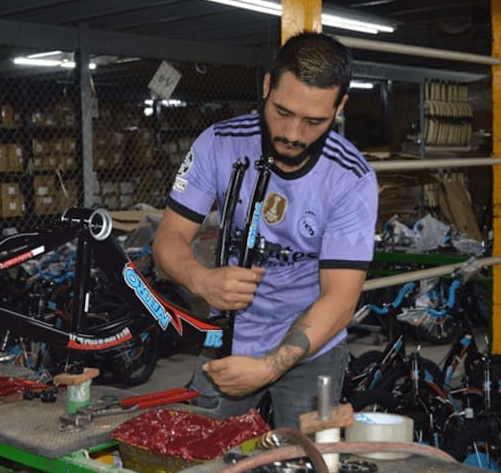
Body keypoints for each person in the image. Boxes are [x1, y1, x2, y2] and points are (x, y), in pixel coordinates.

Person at [152, 31, 378, 429]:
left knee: (306, 458)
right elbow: (167, 241)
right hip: (226, 335)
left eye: (314, 121)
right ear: (267, 85)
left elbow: (341, 301)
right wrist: (201, 279)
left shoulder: (351, 178)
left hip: (312, 348)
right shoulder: (218, 145)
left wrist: (269, 366)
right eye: (283, 111)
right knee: (200, 452)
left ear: (340, 106)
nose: (293, 134)